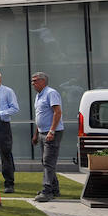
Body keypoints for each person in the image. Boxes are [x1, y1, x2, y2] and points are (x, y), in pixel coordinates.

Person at [31, 72, 63, 202]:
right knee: (46, 162)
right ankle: (54, 189)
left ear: (43, 81)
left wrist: (52, 131)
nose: (33, 83)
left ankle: (47, 191)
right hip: (43, 132)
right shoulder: (38, 96)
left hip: (52, 133)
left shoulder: (51, 93)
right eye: (32, 81)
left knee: (48, 162)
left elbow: (57, 112)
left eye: (35, 81)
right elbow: (40, 117)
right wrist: (36, 134)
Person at [0, 69, 18, 193]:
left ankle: (9, 183)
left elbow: (15, 108)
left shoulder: (7, 91)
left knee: (5, 155)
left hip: (2, 126)